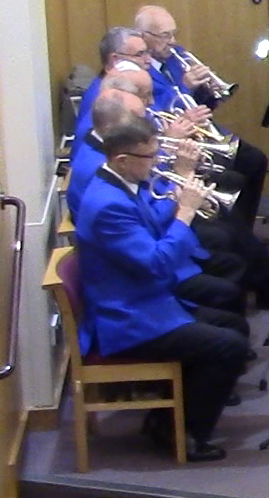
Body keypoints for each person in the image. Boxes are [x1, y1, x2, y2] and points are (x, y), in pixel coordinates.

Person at [73, 119, 249, 461]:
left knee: (233, 324)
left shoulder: (121, 183)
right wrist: (185, 213)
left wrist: (180, 190)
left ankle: (167, 418)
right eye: (150, 156)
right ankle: (182, 435)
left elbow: (151, 222)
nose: (156, 162)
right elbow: (156, 262)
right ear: (122, 160)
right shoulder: (108, 205)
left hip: (147, 301)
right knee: (229, 346)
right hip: (128, 319)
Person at [134, 4, 269, 226]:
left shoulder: (176, 56)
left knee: (257, 160)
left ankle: (244, 228)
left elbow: (196, 107)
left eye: (174, 34)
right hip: (181, 144)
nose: (173, 41)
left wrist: (209, 92)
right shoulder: (141, 72)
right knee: (240, 172)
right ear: (144, 36)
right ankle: (236, 230)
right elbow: (159, 115)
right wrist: (186, 86)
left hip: (203, 131)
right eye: (165, 35)